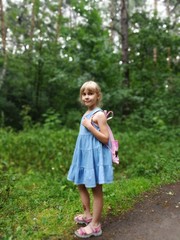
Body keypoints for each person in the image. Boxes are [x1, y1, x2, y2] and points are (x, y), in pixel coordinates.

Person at [67, 81, 113, 238]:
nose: (87, 96)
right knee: (80, 183)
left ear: (98, 96)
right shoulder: (85, 114)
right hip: (83, 155)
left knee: (96, 189)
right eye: (84, 94)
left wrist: (90, 126)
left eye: (90, 93)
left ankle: (95, 224)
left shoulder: (99, 115)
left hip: (94, 158)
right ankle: (87, 214)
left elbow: (106, 139)